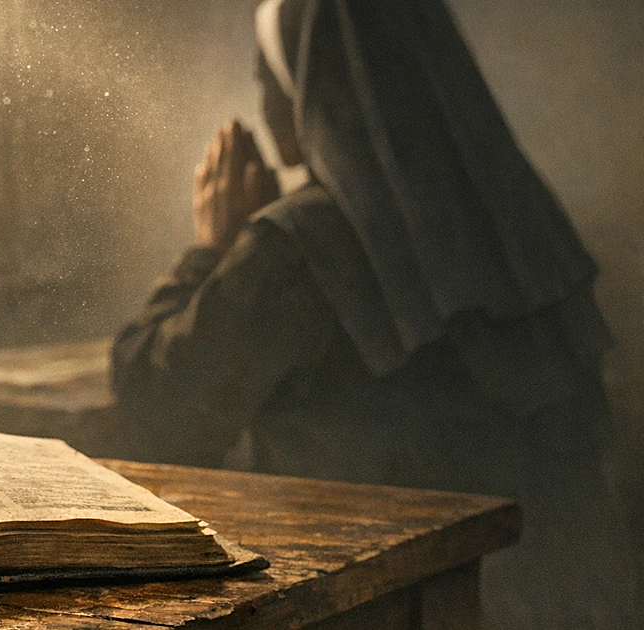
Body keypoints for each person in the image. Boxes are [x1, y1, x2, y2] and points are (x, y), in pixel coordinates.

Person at [111, 0, 637, 627]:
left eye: (268, 75)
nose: (264, 96)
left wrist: (210, 251)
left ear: (305, 85)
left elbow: (159, 403)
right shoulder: (515, 214)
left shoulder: (301, 241)